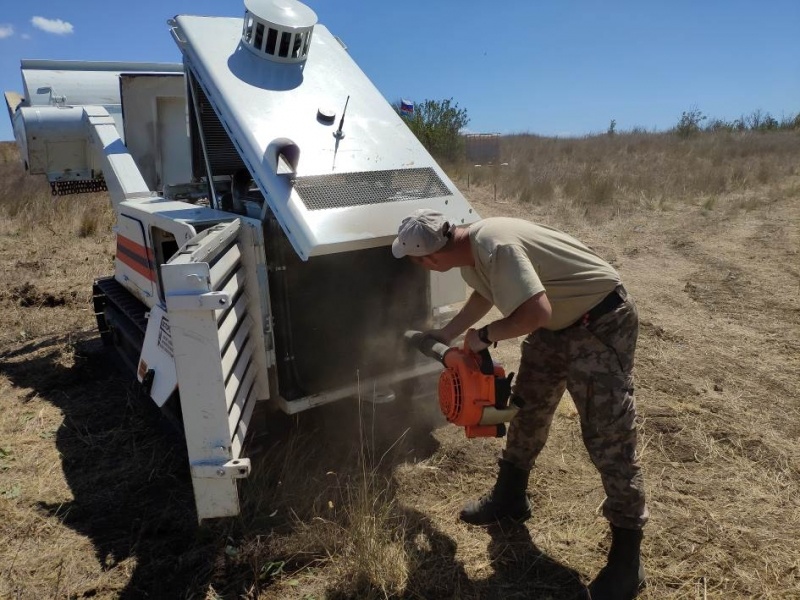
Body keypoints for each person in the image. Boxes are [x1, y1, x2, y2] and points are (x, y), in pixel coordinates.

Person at [392, 209, 648, 600]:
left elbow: (535, 311)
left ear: (429, 259)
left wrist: (486, 336)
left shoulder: (495, 246)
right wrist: (446, 333)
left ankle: (627, 560)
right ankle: (511, 496)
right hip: (558, 326)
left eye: (415, 262)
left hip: (600, 322)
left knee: (608, 434)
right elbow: (486, 294)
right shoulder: (471, 252)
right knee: (527, 409)